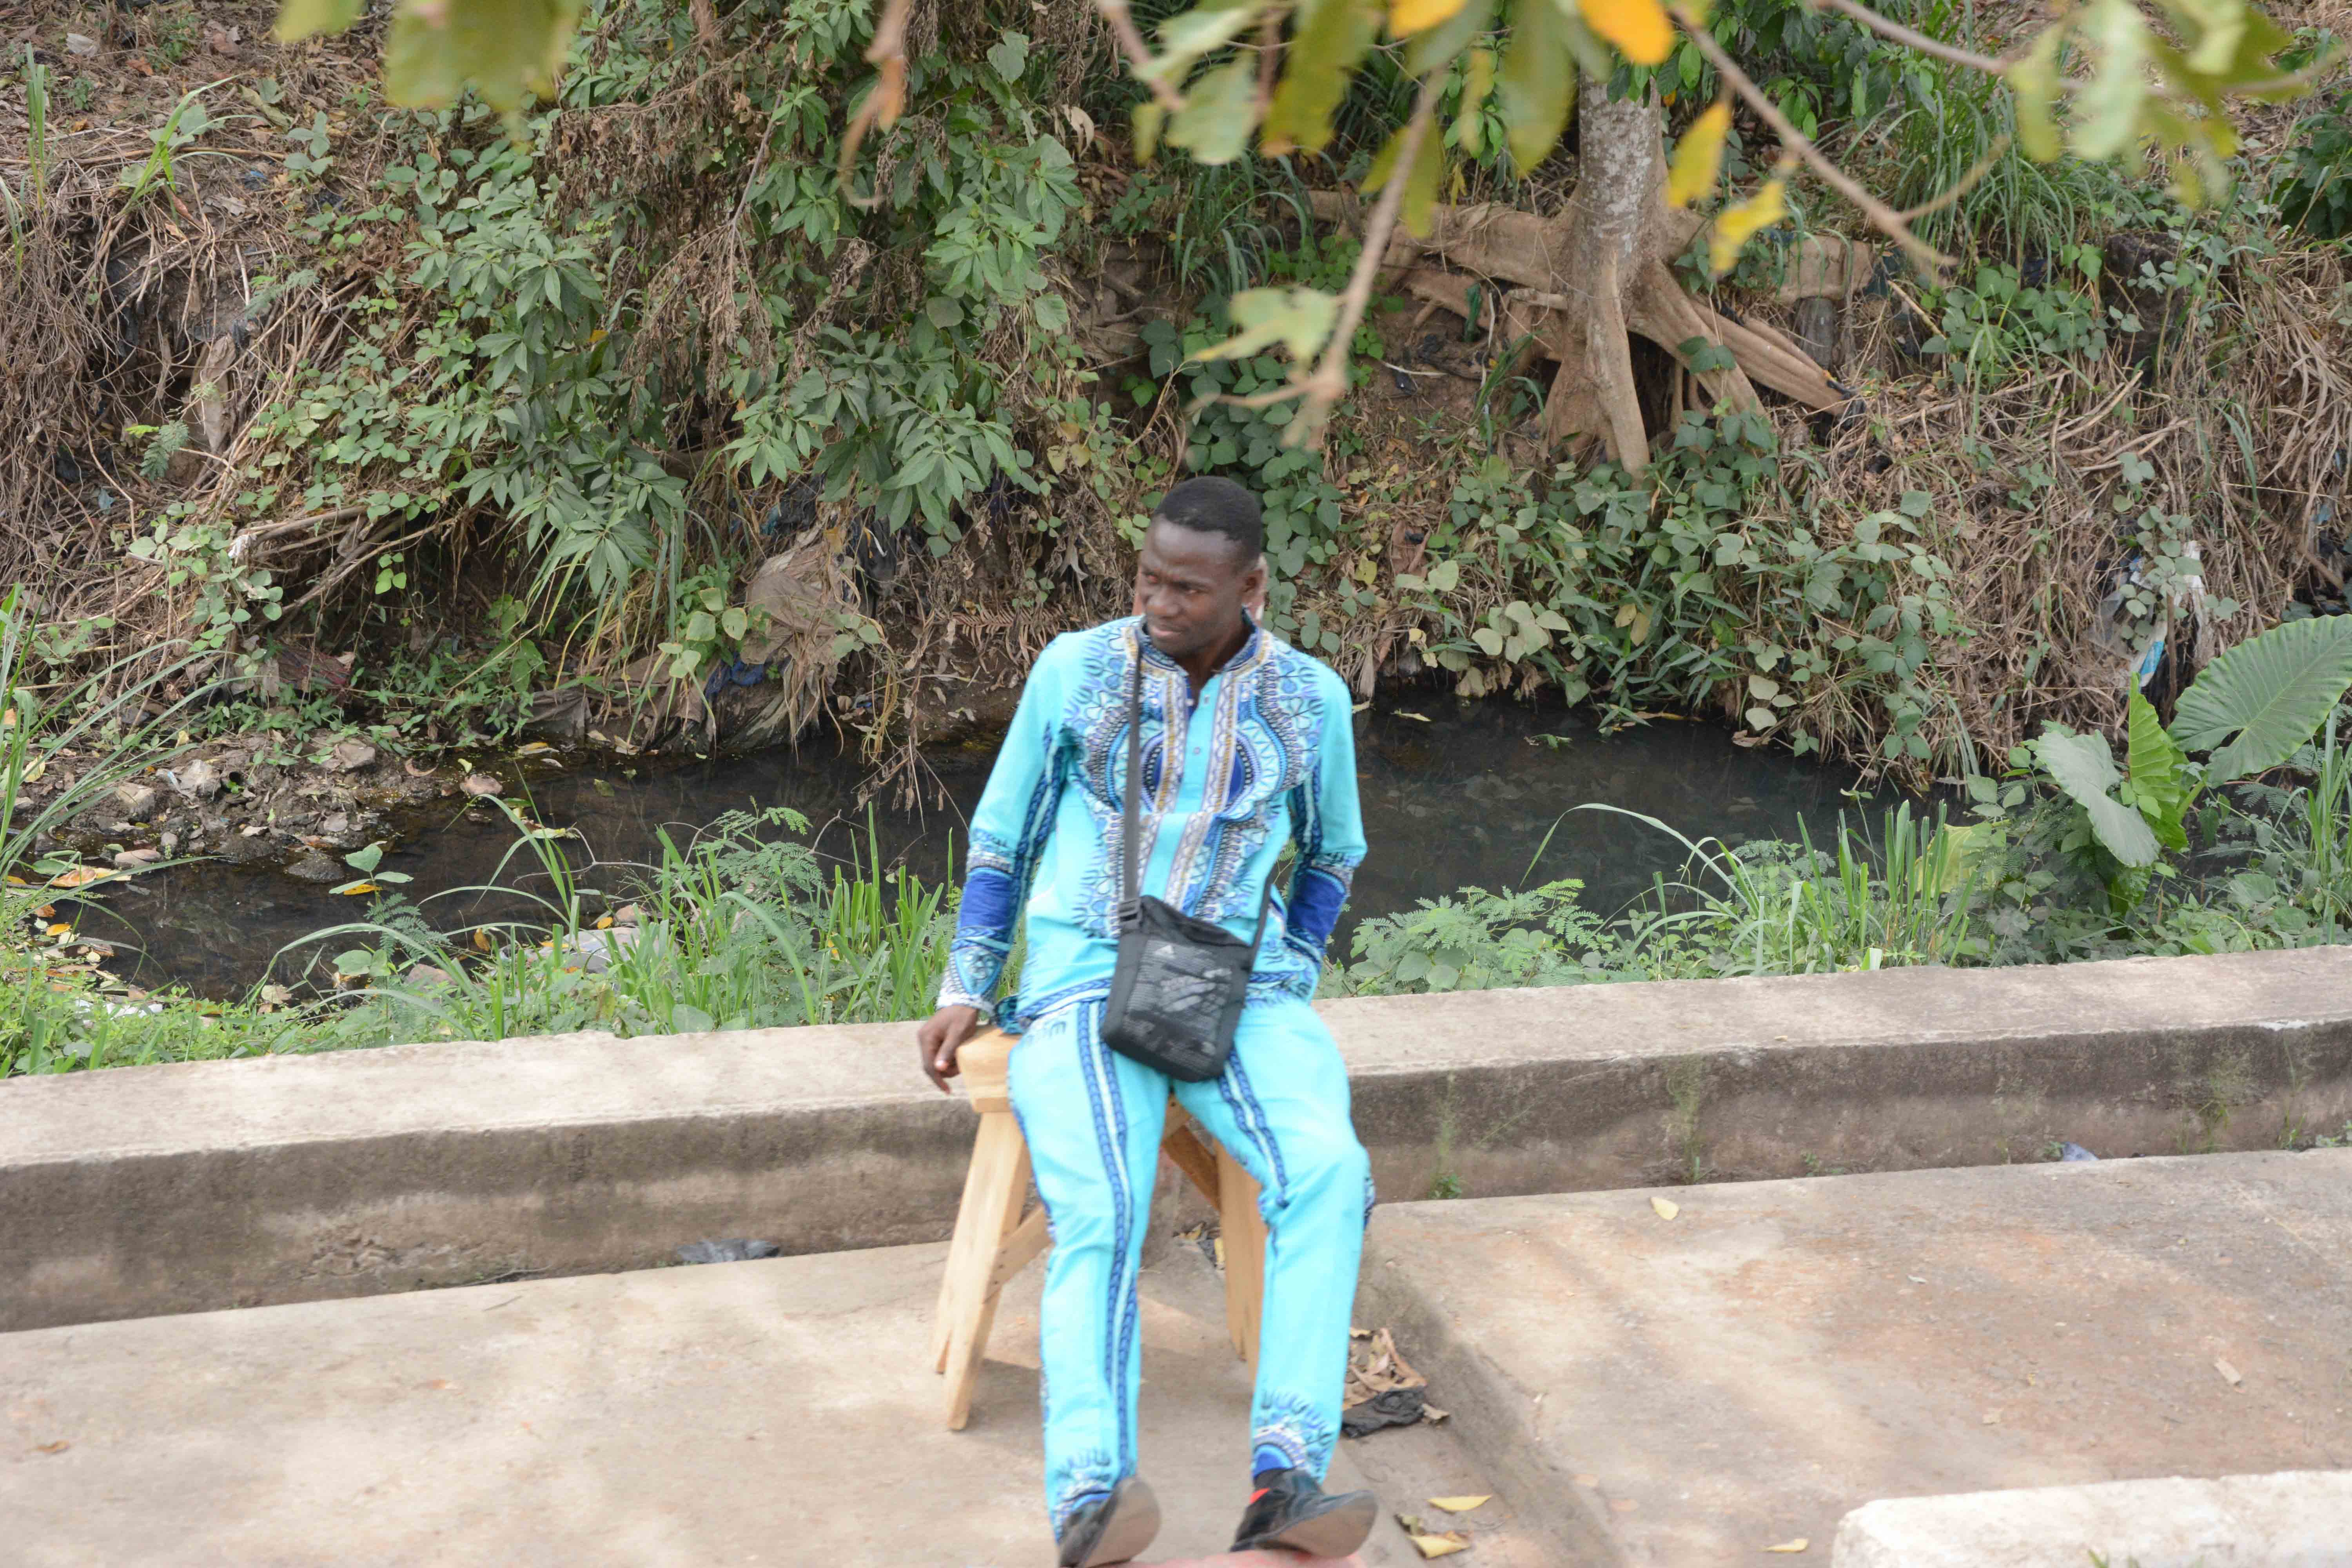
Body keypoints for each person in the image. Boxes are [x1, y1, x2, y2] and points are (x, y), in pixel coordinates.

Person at [915, 475, 1377, 1566]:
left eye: (1188, 588)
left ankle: (1289, 1475)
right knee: (1106, 1204)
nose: (1160, 602)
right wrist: (965, 985)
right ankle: (1092, 1493)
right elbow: (1003, 839)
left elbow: (1332, 854)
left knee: (1329, 1171)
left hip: (1240, 988)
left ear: (1251, 588)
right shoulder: (1074, 672)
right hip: (1083, 978)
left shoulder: (1310, 699)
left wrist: (1291, 971)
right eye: (1148, 579)